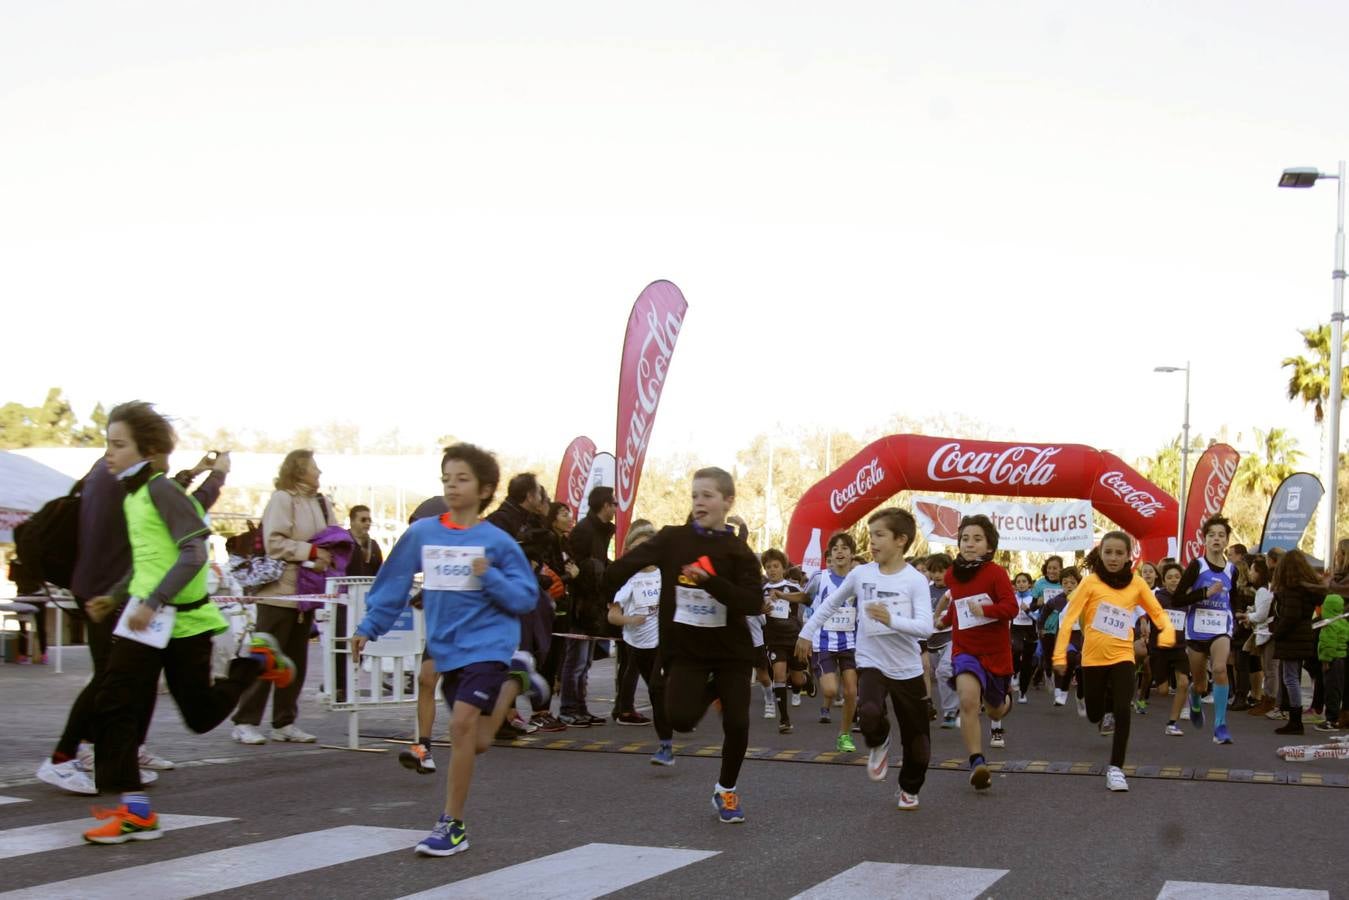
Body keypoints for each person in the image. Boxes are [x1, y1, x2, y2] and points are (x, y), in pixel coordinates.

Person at [80, 402, 293, 843]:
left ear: (148, 450)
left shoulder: (161, 491)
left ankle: (255, 660)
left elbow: (193, 553)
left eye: (118, 445)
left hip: (182, 622)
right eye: (107, 444)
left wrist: (153, 602)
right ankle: (134, 810)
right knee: (115, 703)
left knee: (199, 717)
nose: (109, 453)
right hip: (146, 620)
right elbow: (150, 560)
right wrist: (116, 597)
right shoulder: (134, 494)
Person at [354, 443, 546, 857]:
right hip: (448, 649)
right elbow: (394, 580)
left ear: (484, 489)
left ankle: (451, 825)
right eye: (447, 479)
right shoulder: (424, 533)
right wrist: (369, 627)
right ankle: (516, 682)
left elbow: (526, 597)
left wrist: (490, 577)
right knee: (473, 742)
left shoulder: (496, 542)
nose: (452, 486)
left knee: (459, 726)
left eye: (462, 479)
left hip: (489, 644)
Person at [36, 451, 229, 795]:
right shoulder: (124, 482)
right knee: (115, 682)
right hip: (118, 590)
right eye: (164, 452)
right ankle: (69, 757)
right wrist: (214, 478)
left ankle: (119, 767)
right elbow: (186, 511)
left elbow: (168, 499)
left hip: (116, 590)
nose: (167, 460)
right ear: (149, 452)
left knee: (128, 682)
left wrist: (194, 473)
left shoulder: (122, 482)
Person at [600, 467, 765, 824]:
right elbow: (628, 564)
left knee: (737, 723)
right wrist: (598, 573)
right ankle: (712, 690)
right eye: (694, 496)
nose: (700, 502)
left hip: (732, 652)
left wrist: (711, 582)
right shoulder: (673, 539)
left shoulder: (738, 551)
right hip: (687, 652)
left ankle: (726, 790)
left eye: (708, 495)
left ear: (727, 501)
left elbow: (751, 602)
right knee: (681, 719)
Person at [796, 508, 932, 809]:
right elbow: (830, 603)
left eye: (879, 535)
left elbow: (926, 627)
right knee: (868, 711)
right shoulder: (861, 574)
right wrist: (806, 632)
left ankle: (909, 788)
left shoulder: (915, 580)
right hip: (871, 661)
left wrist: (891, 619)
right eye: (870, 535)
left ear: (901, 540)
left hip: (907, 667)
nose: (872, 542)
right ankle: (879, 741)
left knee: (918, 743)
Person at [1054, 532, 1176, 792]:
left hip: (1123, 656)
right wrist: (1059, 653)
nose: (1113, 558)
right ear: (1100, 553)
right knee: (1095, 714)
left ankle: (1116, 769)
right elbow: (1068, 618)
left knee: (1123, 710)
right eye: (1108, 552)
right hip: (1093, 658)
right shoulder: (1089, 583)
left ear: (1128, 556)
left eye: (1119, 553)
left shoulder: (1137, 584)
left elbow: (1155, 611)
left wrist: (1166, 630)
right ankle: (1094, 703)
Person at [231, 450, 337, 745]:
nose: (319, 472)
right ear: (299, 470)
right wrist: (311, 552)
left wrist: (329, 554)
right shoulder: (282, 499)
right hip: (278, 594)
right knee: (266, 658)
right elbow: (274, 543)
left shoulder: (321, 501)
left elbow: (331, 537)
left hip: (306, 593)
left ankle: (284, 721)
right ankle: (245, 720)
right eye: (315, 467)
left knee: (295, 662)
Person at [934, 515, 1017, 791]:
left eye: (977, 539)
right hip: (965, 650)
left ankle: (1005, 702)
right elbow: (958, 604)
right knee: (968, 701)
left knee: (994, 711)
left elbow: (1011, 608)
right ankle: (977, 761)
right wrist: (944, 621)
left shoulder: (996, 573)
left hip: (995, 654)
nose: (969, 544)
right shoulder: (952, 574)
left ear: (990, 547)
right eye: (965, 538)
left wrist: (988, 611)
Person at [606, 521, 674, 762]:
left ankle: (666, 746)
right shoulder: (630, 581)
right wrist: (630, 619)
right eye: (636, 549)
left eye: (646, 547)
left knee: (658, 686)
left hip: (664, 642)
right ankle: (666, 744)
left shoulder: (666, 573)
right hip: (639, 646)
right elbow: (612, 615)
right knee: (658, 695)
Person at [1175, 516, 1239, 745]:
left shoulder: (1232, 570)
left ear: (1226, 541)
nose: (1216, 539)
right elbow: (1177, 598)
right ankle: (1195, 696)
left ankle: (1220, 726)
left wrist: (1237, 622)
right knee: (1201, 683)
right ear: (1205, 539)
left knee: (1220, 669)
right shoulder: (1197, 566)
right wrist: (1205, 593)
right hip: (1196, 630)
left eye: (1221, 535)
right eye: (1212, 535)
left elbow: (1235, 600)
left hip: (1221, 627)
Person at [558, 486, 616, 728]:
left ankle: (580, 706)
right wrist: (584, 579)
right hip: (580, 605)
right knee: (577, 659)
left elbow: (600, 564)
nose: (615, 508)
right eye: (613, 503)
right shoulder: (584, 531)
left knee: (586, 661)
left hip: (595, 604)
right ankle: (568, 708)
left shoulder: (602, 532)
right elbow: (574, 568)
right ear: (605, 505)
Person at [804, 532, 861, 750]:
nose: (839, 551)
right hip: (824, 641)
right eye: (835, 548)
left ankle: (844, 735)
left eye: (844, 548)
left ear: (852, 554)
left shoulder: (858, 579)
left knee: (850, 692)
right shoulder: (820, 578)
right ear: (830, 554)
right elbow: (805, 598)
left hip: (850, 642)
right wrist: (782, 596)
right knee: (829, 690)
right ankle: (812, 675)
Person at [1270, 550, 1323, 736]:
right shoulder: (1308, 589)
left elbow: (1290, 616)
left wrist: (1276, 632)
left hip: (1291, 639)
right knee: (1292, 678)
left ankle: (1295, 720)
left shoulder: (1291, 590)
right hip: (1302, 637)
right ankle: (1295, 719)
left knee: (1290, 679)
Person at [762, 548, 812, 735]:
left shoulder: (792, 587)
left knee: (797, 680)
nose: (772, 570)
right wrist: (762, 609)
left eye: (775, 566)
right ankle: (784, 720)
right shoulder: (763, 590)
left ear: (783, 568)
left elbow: (805, 599)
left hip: (793, 638)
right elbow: (758, 610)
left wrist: (782, 595)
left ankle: (807, 680)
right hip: (774, 640)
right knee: (779, 674)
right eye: (768, 567)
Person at [1149, 562, 1194, 735]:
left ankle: (1172, 724)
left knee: (1183, 683)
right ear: (1164, 581)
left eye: (1177, 577)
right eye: (1169, 578)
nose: (1174, 581)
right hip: (1159, 648)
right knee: (1163, 691)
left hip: (1179, 647)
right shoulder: (1157, 597)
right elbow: (1145, 612)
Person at [1316, 594, 1348, 733]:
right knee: (1338, 690)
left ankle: (1331, 720)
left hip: (1332, 660)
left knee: (1331, 691)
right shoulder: (1344, 623)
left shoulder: (1329, 625)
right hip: (1342, 659)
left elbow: (1328, 645)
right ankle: (1334, 717)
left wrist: (1325, 660)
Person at [1010, 572, 1038, 704]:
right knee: (1016, 649)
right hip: (1015, 630)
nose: (1021, 584)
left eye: (1024, 581)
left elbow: (1038, 618)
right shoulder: (1011, 598)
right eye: (1018, 582)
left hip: (1030, 632)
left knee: (1027, 663)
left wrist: (1028, 610)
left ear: (1029, 584)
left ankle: (1023, 692)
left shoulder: (1034, 599)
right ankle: (1014, 674)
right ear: (1015, 585)